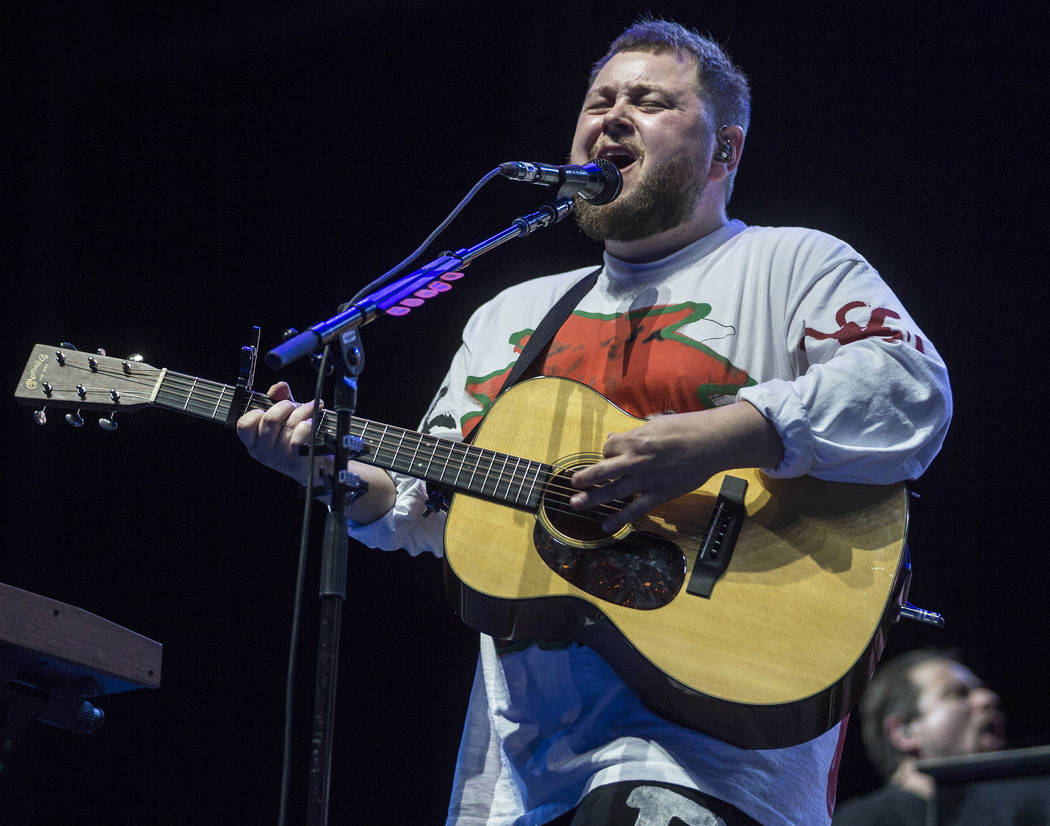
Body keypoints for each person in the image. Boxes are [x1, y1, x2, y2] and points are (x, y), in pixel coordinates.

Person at [237, 17, 953, 826]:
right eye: (599, 99)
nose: (612, 115)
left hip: (714, 754)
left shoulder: (794, 264)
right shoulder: (513, 313)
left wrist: (724, 435)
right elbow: (429, 508)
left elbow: (908, 391)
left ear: (727, 150)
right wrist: (326, 470)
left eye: (649, 101)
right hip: (520, 772)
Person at [832, 650, 1047, 825]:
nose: (988, 698)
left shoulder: (1031, 806)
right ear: (904, 731)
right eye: (958, 693)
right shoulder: (858, 821)